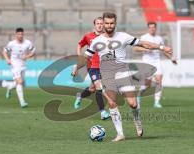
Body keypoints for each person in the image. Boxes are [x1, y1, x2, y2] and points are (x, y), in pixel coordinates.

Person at [74, 12, 173, 142]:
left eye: (112, 23)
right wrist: (76, 67)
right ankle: (120, 134)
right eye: (107, 23)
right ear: (103, 24)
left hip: (122, 72)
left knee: (132, 104)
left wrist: (161, 47)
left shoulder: (123, 36)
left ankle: (137, 120)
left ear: (115, 23)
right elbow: (86, 57)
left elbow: (143, 44)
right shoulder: (96, 41)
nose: (109, 26)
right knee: (111, 102)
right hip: (107, 75)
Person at [72, 17, 110, 120]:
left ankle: (80, 96)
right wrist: (79, 57)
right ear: (94, 25)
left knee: (92, 88)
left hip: (104, 66)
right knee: (99, 88)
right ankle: (103, 112)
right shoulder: (88, 36)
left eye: (101, 23)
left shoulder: (107, 37)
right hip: (92, 66)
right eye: (97, 23)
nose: (100, 25)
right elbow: (79, 45)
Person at [135, 22, 177, 108]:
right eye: (150, 27)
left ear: (156, 28)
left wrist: (171, 58)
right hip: (147, 63)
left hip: (157, 62)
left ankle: (157, 102)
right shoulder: (144, 37)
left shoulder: (159, 38)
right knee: (147, 85)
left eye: (153, 27)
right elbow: (136, 48)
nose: (152, 29)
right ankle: (138, 95)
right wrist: (145, 49)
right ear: (148, 28)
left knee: (159, 81)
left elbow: (164, 50)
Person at [2, 27, 35, 108]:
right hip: (14, 64)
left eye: (22, 34)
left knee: (19, 83)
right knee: (19, 82)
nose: (20, 35)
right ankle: (22, 102)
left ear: (23, 34)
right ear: (16, 35)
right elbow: (4, 52)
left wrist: (27, 56)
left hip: (23, 65)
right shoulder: (11, 44)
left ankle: (9, 87)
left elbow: (33, 52)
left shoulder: (28, 43)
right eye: (19, 34)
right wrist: (8, 60)